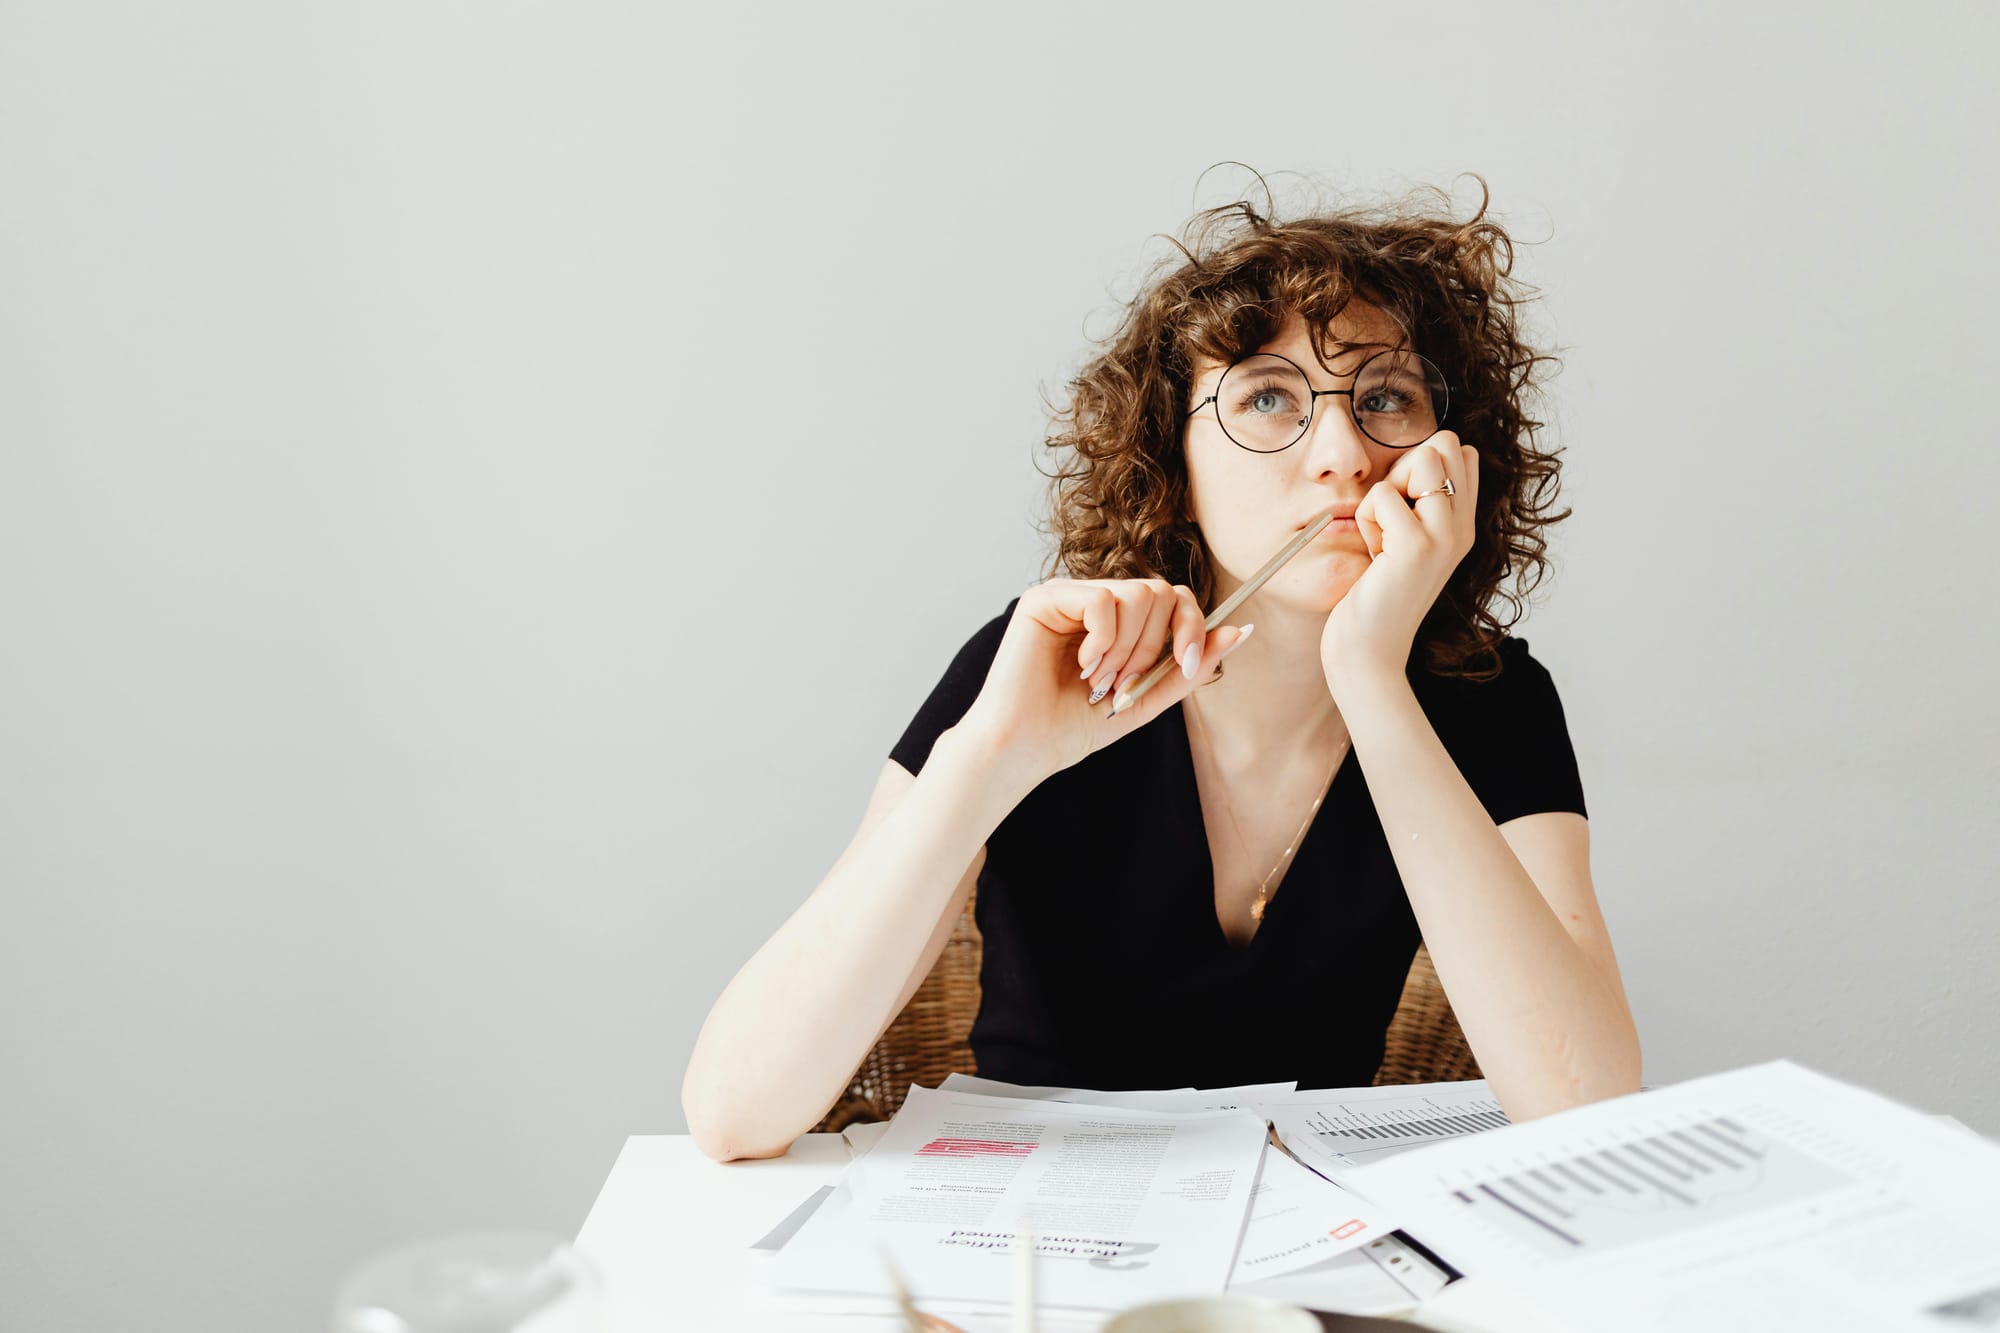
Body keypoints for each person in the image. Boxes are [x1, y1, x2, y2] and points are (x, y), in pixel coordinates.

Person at [683, 175, 1642, 1162]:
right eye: (1267, 396)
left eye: (1384, 397)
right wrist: (992, 758)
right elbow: (731, 1112)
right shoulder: (1047, 664)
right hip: (1022, 1257)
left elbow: (1586, 1107)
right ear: (1170, 467)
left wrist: (1369, 677)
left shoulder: (1488, 698)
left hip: (1307, 1270)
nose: (1342, 453)